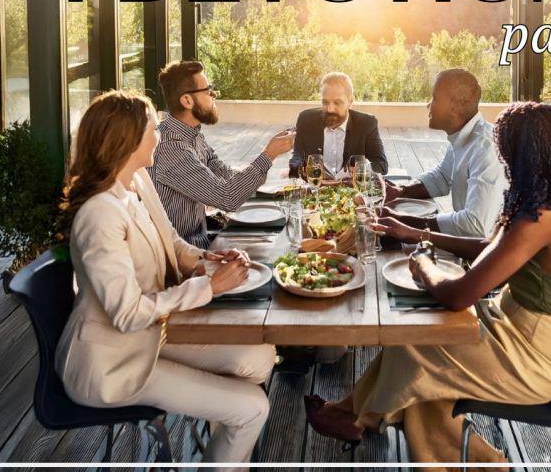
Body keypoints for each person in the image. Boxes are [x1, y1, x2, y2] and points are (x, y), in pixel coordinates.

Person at [304, 102, 551, 465]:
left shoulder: (541, 218)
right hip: (513, 328)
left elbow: (460, 295)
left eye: (505, 148)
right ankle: (352, 415)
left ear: (523, 155)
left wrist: (422, 264)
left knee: (416, 346)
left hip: (533, 358)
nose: (502, 157)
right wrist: (415, 232)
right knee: (418, 352)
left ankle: (353, 416)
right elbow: (486, 249)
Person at [55, 91, 276, 469]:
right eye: (151, 128)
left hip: (151, 335)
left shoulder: (137, 180)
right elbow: (126, 315)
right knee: (254, 407)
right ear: (126, 140)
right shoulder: (99, 216)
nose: (159, 134)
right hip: (112, 362)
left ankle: (226, 441)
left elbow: (171, 242)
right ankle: (232, 431)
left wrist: (208, 259)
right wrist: (209, 287)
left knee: (261, 357)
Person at [151, 60, 295, 248]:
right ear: (187, 100)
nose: (214, 95)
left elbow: (225, 174)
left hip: (203, 239)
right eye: (207, 91)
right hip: (187, 257)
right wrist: (269, 154)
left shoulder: (192, 134)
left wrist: (267, 162)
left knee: (282, 235)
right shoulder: (171, 148)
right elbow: (227, 197)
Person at [382, 68, 506, 238]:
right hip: (466, 246)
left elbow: (475, 226)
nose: (428, 104)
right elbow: (441, 178)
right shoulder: (462, 135)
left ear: (454, 107)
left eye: (434, 98)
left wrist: (403, 222)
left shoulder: (485, 148)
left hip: (486, 256)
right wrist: (401, 190)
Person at [289, 72, 388, 178]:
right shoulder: (306, 119)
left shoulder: (367, 123)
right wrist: (303, 169)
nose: (330, 109)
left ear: (350, 101)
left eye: (337, 103)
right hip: (316, 188)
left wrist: (354, 171)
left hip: (351, 190)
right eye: (325, 102)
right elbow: (296, 158)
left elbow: (381, 165)